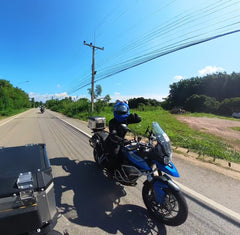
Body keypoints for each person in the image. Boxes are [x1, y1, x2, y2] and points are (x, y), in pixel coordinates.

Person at [104, 101, 141, 173]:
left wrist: (135, 116)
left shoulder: (126, 119)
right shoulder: (113, 122)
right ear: (115, 110)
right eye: (119, 109)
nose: (121, 111)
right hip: (113, 141)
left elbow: (138, 119)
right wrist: (122, 141)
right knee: (115, 154)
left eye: (123, 109)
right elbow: (113, 135)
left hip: (122, 141)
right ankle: (110, 171)